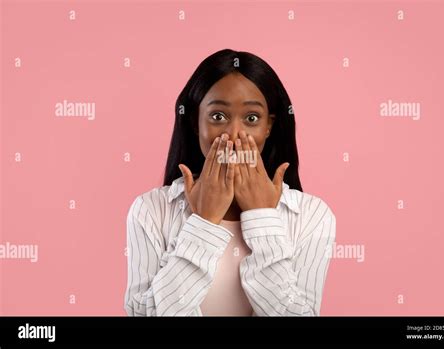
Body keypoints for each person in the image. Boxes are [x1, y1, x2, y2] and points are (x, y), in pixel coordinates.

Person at [124, 49, 336, 316]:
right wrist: (204, 222)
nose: (234, 135)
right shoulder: (150, 209)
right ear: (194, 122)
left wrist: (262, 217)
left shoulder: (313, 216)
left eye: (251, 118)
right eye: (218, 117)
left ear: (268, 126)